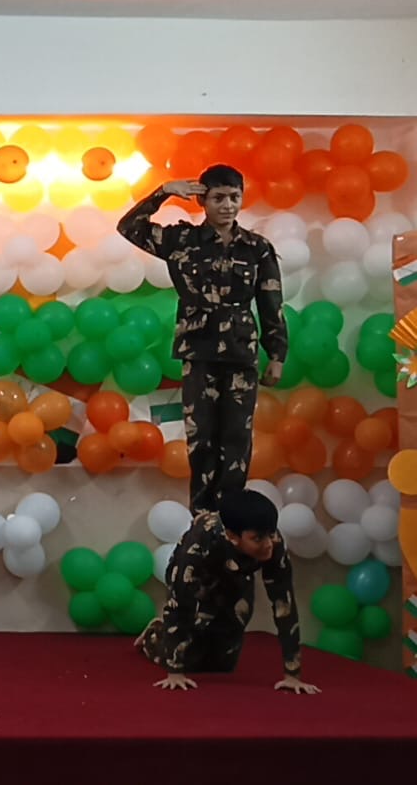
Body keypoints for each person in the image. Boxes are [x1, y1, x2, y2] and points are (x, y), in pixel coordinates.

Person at [117, 164, 286, 513]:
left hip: (241, 352)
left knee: (237, 438)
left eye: (234, 197)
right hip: (199, 351)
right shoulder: (181, 240)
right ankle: (203, 518)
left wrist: (277, 354)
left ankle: (231, 516)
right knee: (201, 439)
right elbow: (129, 227)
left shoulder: (257, 248)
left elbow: (271, 302)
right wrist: (164, 192)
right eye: (218, 198)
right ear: (202, 201)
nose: (228, 205)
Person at [136, 490, 317, 694]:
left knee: (223, 664)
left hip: (238, 573)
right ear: (232, 536)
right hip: (199, 576)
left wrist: (292, 675)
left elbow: (284, 603)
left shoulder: (273, 544)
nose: (268, 544)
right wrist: (175, 672)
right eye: (258, 538)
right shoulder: (199, 542)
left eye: (271, 534)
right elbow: (180, 605)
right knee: (189, 654)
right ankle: (155, 634)